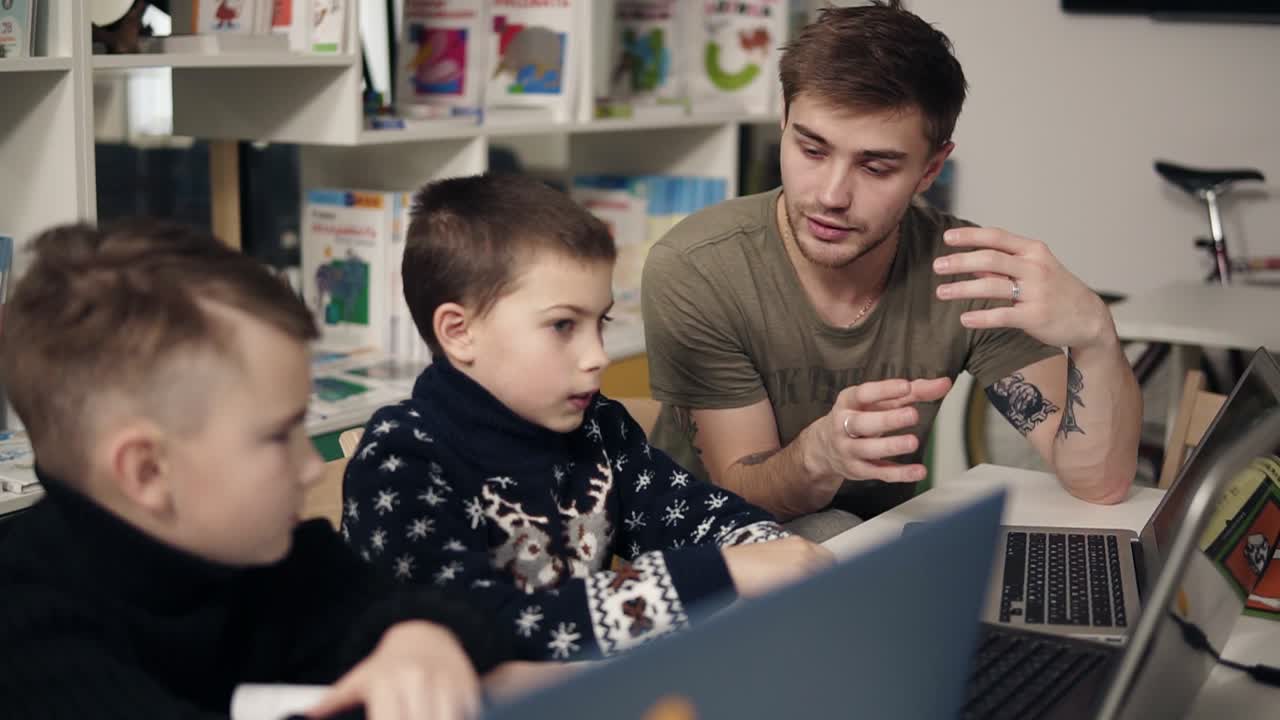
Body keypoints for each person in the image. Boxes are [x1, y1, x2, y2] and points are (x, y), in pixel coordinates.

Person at [640, 1, 1141, 542]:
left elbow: (1100, 484)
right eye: (811, 149)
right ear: (783, 122)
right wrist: (820, 454)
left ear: (930, 169)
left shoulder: (965, 272)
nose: (831, 196)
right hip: (706, 554)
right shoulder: (699, 268)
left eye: (875, 167)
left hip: (863, 550)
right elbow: (739, 500)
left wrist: (1095, 336)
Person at [0, 219, 526, 720]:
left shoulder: (269, 554)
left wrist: (419, 637)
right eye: (279, 435)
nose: (312, 468)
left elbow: (448, 616)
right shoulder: (25, 617)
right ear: (148, 473)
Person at [342, 174, 832, 661]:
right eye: (562, 325)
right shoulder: (401, 457)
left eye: (601, 323)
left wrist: (770, 549)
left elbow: (693, 513)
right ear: (459, 331)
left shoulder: (597, 425)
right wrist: (721, 572)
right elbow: (479, 632)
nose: (597, 356)